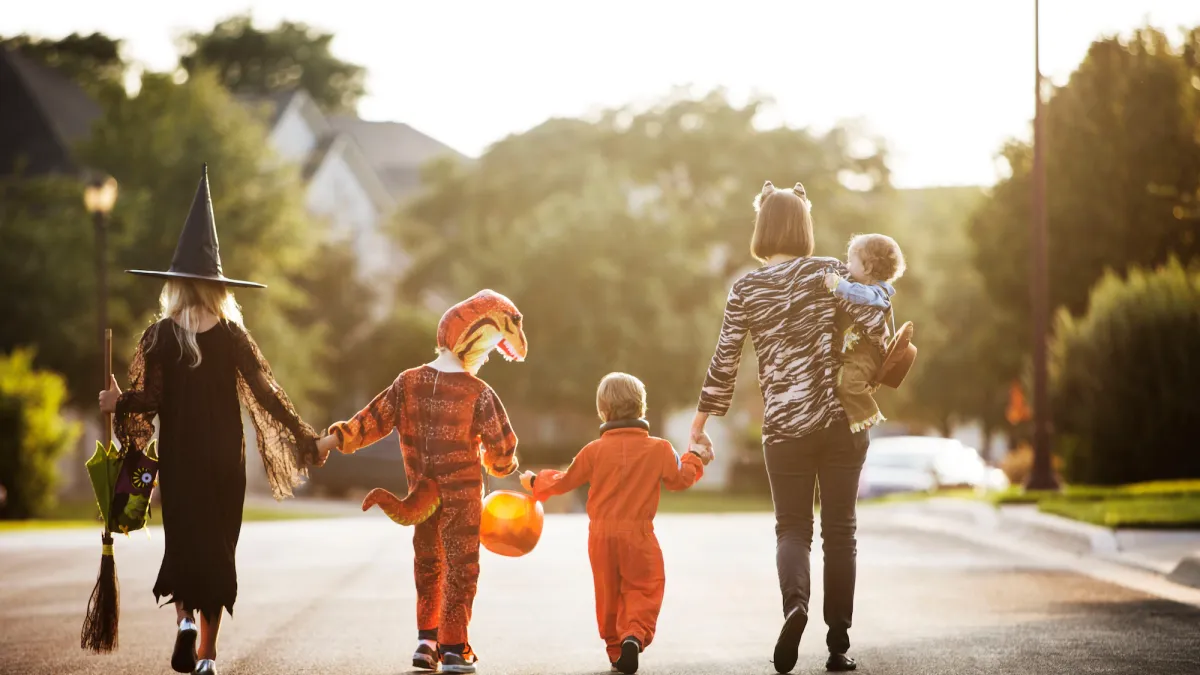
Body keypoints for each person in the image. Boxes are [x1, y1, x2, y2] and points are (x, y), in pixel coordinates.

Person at [100, 165, 320, 675]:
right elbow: (266, 394)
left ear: (174, 285)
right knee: (219, 550)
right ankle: (207, 657)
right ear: (219, 287)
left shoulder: (160, 335)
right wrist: (304, 436)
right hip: (224, 459)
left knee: (184, 543)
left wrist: (119, 404)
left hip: (180, 459)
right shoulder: (233, 336)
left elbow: (149, 400)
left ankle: (183, 624)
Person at [690, 181, 888, 673]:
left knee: (793, 529)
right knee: (841, 531)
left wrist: (699, 425)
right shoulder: (830, 271)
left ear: (761, 228)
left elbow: (724, 362)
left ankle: (794, 605)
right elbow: (876, 322)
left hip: (784, 428)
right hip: (843, 421)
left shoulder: (746, 289)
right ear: (805, 225)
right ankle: (838, 644)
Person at [315, 289, 527, 675]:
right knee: (461, 569)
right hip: (461, 501)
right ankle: (453, 648)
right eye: (490, 348)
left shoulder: (407, 382)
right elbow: (502, 451)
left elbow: (370, 420)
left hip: (421, 493)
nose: (487, 357)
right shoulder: (479, 394)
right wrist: (504, 467)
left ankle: (425, 643)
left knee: (429, 565)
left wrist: (326, 443)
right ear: (477, 340)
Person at [520, 372, 710, 674]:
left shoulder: (593, 451)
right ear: (642, 409)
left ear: (603, 411)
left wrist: (534, 481)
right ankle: (633, 635)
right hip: (639, 535)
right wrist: (696, 456)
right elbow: (680, 478)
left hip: (601, 537)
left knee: (607, 593)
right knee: (644, 588)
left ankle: (615, 649)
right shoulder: (659, 448)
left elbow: (564, 481)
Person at [822, 233, 906, 433]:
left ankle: (866, 416)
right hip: (854, 351)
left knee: (848, 385)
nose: (847, 266)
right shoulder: (866, 289)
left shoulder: (876, 294)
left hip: (866, 355)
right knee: (840, 380)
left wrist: (837, 284)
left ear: (867, 268)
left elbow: (857, 294)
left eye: (851, 261)